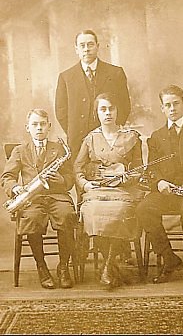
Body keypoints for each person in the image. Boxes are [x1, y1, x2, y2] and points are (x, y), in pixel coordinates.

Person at [135, 85, 183, 290]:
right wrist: (160, 182)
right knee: (144, 209)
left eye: (176, 104)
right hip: (168, 192)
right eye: (167, 105)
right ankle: (169, 258)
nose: (172, 109)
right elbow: (152, 169)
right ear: (162, 108)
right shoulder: (157, 135)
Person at [73, 92, 144, 289]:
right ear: (97, 113)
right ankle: (112, 266)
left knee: (120, 213)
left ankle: (107, 266)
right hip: (96, 191)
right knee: (94, 212)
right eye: (103, 109)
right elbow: (77, 168)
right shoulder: (90, 139)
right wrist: (86, 185)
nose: (108, 113)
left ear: (117, 110)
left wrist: (127, 177)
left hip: (123, 192)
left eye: (111, 108)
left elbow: (139, 168)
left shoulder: (131, 137)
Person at [1, 109, 77, 289]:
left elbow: (70, 177)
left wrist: (63, 180)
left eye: (43, 124)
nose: (39, 128)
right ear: (28, 128)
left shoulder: (59, 149)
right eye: (35, 124)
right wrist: (15, 187)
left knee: (67, 215)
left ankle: (63, 266)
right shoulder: (20, 151)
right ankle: (41, 267)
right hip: (31, 198)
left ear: (49, 127)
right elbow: (7, 177)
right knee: (32, 218)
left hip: (57, 196)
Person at [55, 29, 131, 159]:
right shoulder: (66, 77)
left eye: (90, 44)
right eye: (82, 46)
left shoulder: (115, 73)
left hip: (110, 141)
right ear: (76, 49)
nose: (86, 49)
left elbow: (124, 106)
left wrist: (111, 131)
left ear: (97, 46)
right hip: (78, 141)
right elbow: (61, 112)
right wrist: (75, 130)